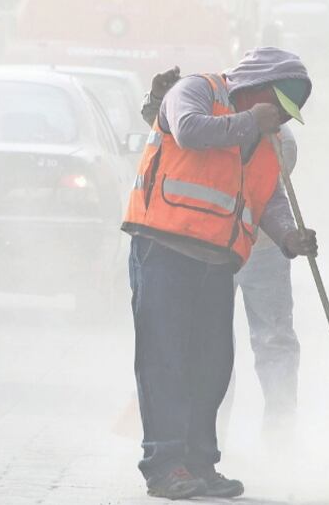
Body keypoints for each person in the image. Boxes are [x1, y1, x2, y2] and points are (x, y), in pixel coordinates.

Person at [122, 47, 317, 500]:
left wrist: (290, 237)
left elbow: (268, 197)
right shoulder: (197, 90)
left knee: (211, 366)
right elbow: (189, 132)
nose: (280, 120)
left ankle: (200, 463)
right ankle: (165, 465)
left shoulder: (270, 136)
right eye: (278, 108)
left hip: (217, 259)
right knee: (165, 360)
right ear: (259, 88)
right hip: (164, 247)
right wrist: (253, 122)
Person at [142, 70, 301, 442]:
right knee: (214, 347)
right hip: (215, 248)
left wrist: (289, 236)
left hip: (256, 248)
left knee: (272, 339)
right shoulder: (209, 106)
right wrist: (158, 102)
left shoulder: (281, 141)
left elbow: (265, 192)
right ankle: (211, 435)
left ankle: (279, 434)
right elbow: (180, 140)